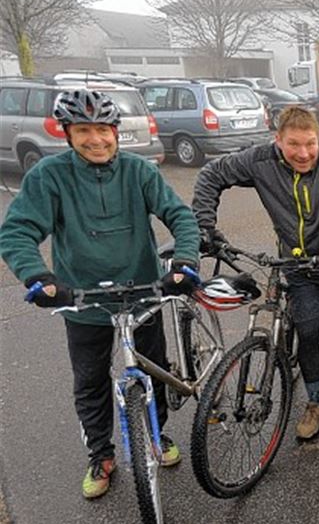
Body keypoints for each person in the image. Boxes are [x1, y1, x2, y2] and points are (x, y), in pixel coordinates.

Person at [0, 89, 200, 498]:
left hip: (143, 295)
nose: (96, 140)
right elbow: (18, 231)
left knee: (153, 370)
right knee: (91, 381)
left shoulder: (138, 171)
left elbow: (180, 215)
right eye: (84, 131)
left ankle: (156, 434)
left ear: (115, 132)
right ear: (67, 133)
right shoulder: (50, 176)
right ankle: (101, 453)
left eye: (104, 130)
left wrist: (183, 261)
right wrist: (38, 276)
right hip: (83, 300)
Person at [193, 107, 319, 440]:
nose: (304, 153)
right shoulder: (260, 160)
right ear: (277, 140)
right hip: (297, 265)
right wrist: (205, 225)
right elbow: (212, 174)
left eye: (311, 143)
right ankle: (316, 403)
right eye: (294, 144)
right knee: (307, 332)